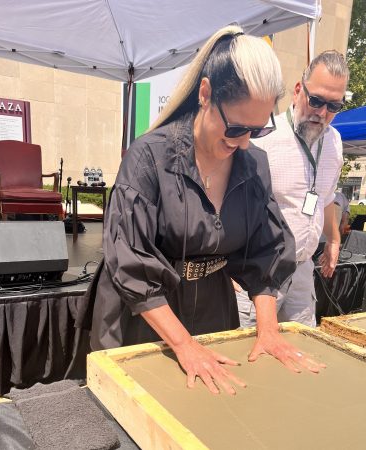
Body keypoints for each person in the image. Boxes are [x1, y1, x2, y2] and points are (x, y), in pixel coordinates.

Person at [76, 26, 324, 396]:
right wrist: (183, 344)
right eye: (236, 127)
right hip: (142, 310)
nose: (243, 144)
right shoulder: (148, 157)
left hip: (212, 304)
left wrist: (268, 330)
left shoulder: (253, 164)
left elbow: (266, 251)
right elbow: (129, 260)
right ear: (205, 94)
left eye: (256, 132)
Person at [237, 50, 349, 328]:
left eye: (334, 106)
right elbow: (231, 206)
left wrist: (333, 240)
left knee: (301, 351)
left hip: (301, 270)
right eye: (316, 100)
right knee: (248, 357)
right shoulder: (263, 137)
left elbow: (326, 198)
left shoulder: (334, 143)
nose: (322, 112)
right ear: (298, 90)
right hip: (259, 272)